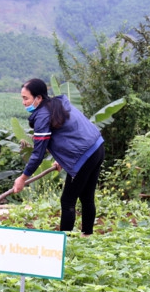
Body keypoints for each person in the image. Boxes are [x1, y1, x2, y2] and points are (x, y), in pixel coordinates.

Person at [13, 78, 105, 236]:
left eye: (26, 98)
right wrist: (61, 158)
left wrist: (22, 178)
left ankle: (65, 242)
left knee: (67, 200)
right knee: (86, 196)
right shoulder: (57, 103)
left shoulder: (42, 116)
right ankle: (87, 235)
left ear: (39, 98)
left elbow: (38, 153)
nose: (23, 102)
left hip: (84, 156)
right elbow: (70, 132)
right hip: (97, 146)